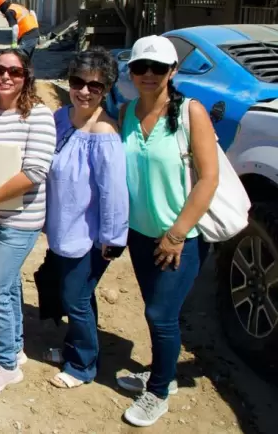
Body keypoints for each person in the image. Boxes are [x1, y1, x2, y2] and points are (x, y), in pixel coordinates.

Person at [117, 35, 217, 427]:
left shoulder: (192, 113)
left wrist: (176, 234)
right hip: (139, 234)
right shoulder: (125, 111)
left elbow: (208, 179)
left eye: (158, 68)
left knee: (161, 314)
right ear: (131, 70)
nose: (148, 75)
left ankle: (158, 391)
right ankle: (164, 371)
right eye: (141, 67)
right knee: (156, 313)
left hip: (180, 238)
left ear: (173, 72)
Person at [0, 49, 56, 395]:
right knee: (9, 284)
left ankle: (5, 365)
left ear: (26, 78)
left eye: (14, 72)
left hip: (20, 221)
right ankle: (14, 349)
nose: (5, 76)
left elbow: (34, 172)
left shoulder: (39, 116)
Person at [44, 48, 129, 389]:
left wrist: (112, 239)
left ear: (106, 89)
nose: (84, 91)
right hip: (62, 230)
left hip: (89, 235)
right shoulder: (61, 118)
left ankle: (82, 364)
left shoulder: (104, 135)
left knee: (75, 298)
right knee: (79, 294)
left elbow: (113, 193)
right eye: (78, 81)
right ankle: (73, 349)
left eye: (95, 86)